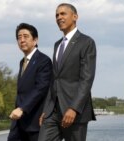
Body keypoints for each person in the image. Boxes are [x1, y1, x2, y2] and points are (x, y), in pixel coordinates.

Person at [38, 3, 97, 141]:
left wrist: (74, 108)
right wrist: (46, 110)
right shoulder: (57, 45)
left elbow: (87, 79)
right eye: (57, 15)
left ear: (75, 17)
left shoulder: (86, 42)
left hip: (74, 111)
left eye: (63, 14)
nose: (59, 17)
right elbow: (54, 80)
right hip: (52, 112)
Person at [7, 23, 52, 141]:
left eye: (25, 36)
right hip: (19, 123)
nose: (22, 40)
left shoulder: (44, 60)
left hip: (35, 122)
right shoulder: (22, 62)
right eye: (19, 37)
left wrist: (22, 109)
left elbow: (40, 89)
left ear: (35, 40)